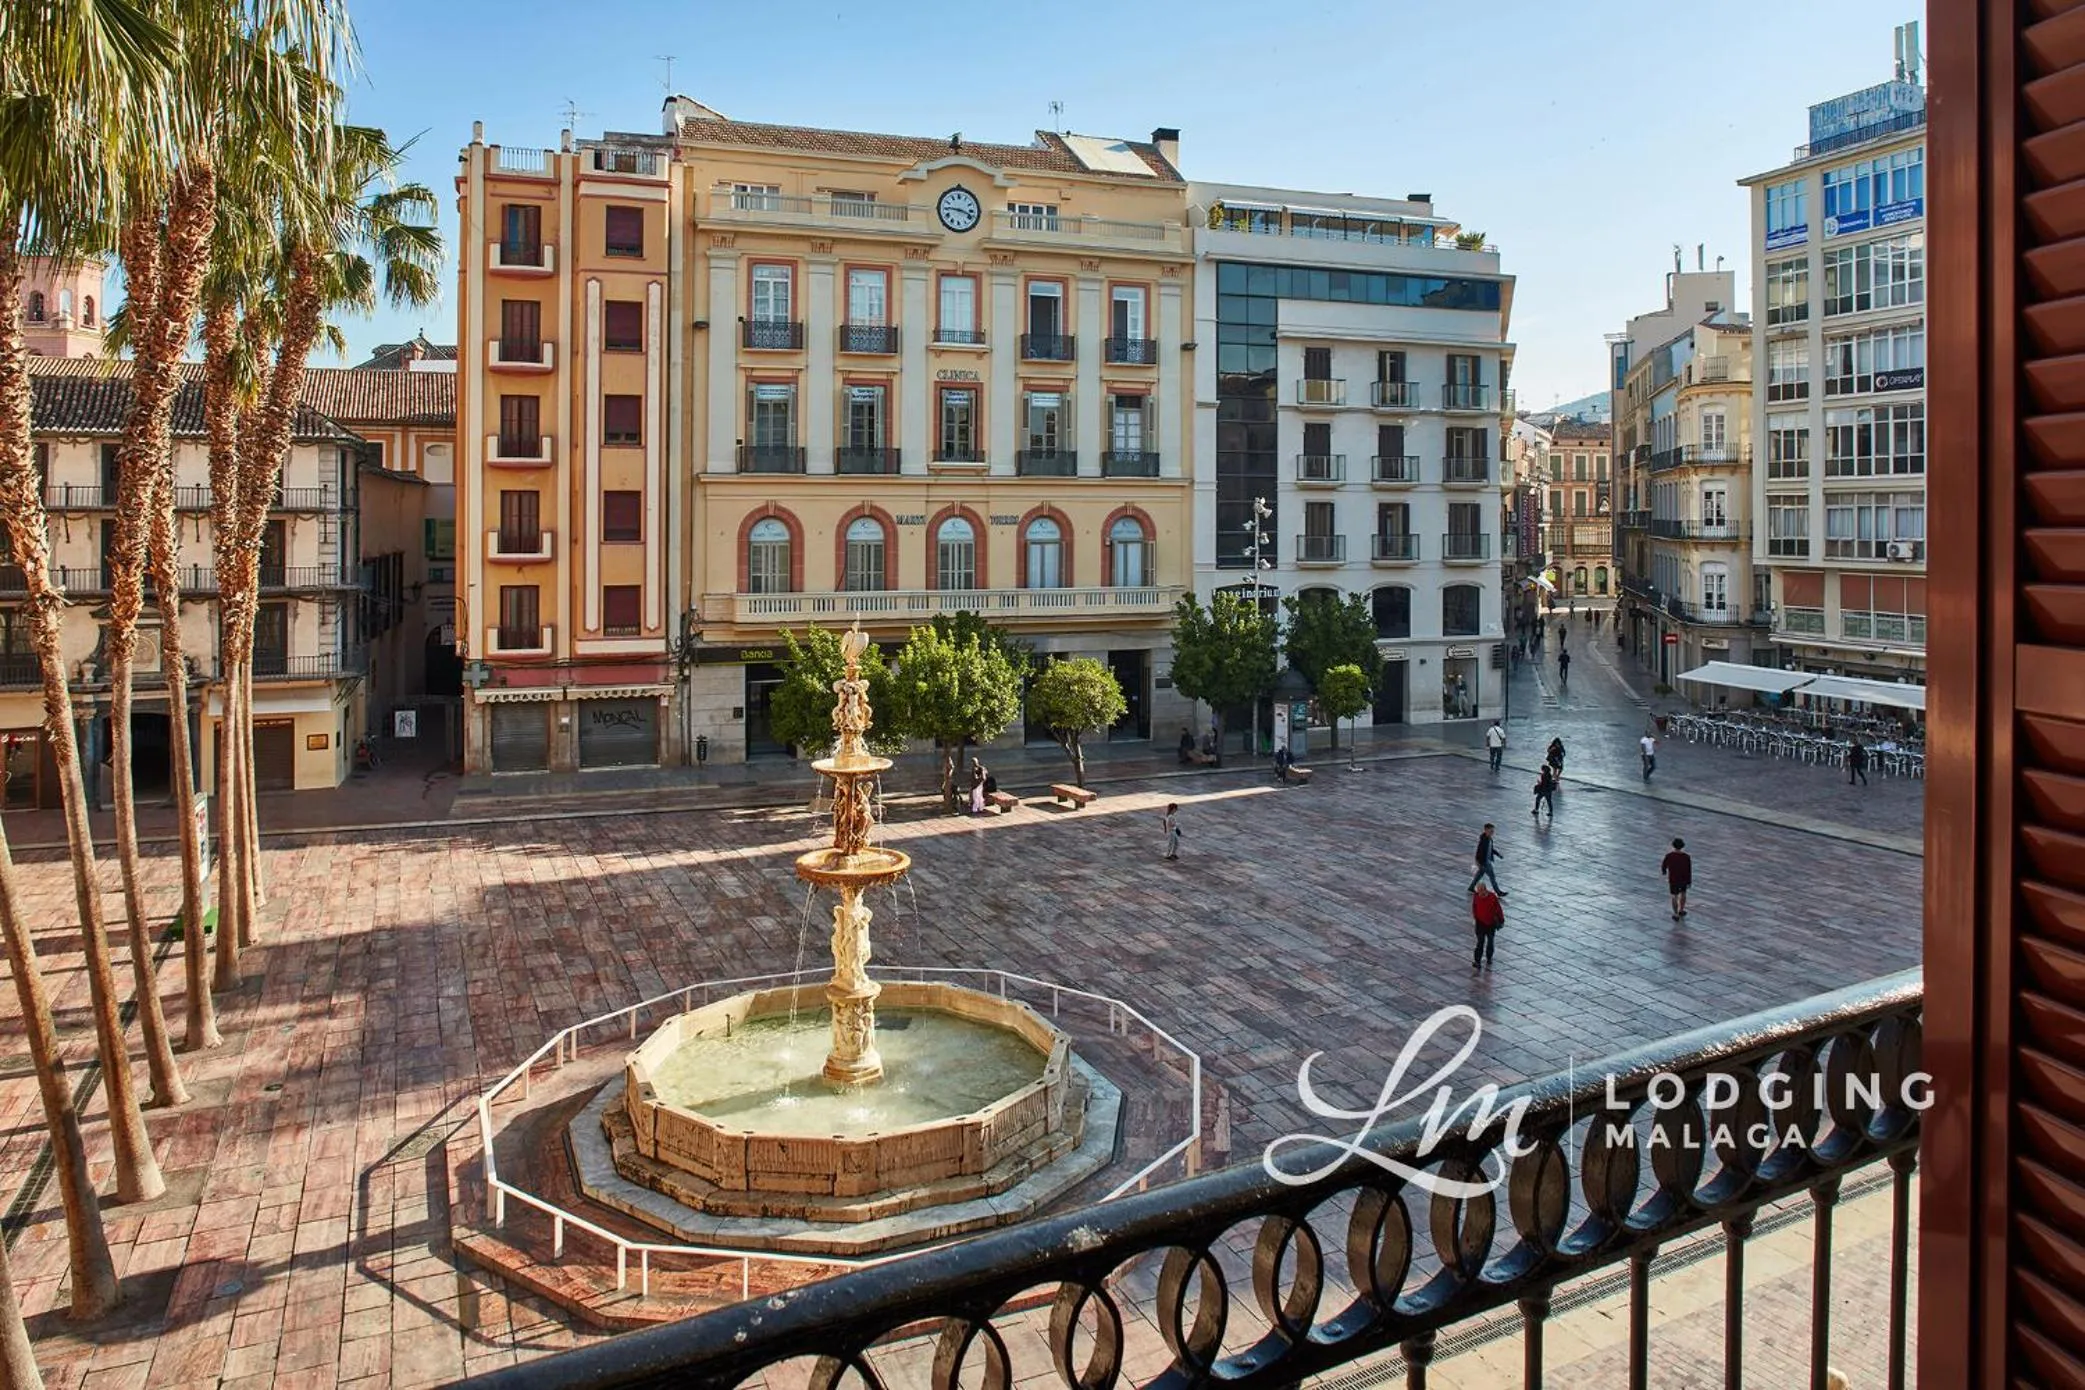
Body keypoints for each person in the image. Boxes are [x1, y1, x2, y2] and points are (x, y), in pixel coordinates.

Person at [1470, 882, 1504, 971]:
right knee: (1480, 942)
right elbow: (1474, 907)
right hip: (1480, 923)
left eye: (1481, 890)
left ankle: (1489, 958)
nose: (1480, 892)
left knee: (1490, 941)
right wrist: (1475, 917)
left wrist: (1501, 919)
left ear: (1485, 889)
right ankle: (1477, 961)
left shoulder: (1492, 897)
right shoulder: (1476, 896)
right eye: (1478, 890)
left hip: (1491, 923)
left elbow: (1498, 909)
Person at [1467, 822, 1507, 896]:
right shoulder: (1483, 840)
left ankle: (1471, 887)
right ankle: (1498, 892)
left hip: (1486, 861)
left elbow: (1491, 849)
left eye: (1493, 831)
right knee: (1492, 877)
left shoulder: (1489, 839)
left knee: (1479, 875)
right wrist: (1478, 862)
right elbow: (1479, 851)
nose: (1492, 833)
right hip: (1485, 862)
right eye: (1491, 831)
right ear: (1486, 830)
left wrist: (1498, 854)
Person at [1661, 837, 1693, 920]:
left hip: (1673, 878)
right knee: (1683, 893)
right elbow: (1689, 869)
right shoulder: (1686, 857)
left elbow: (1664, 865)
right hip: (1683, 878)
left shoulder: (1669, 856)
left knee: (1674, 895)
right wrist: (1689, 881)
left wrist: (1664, 872)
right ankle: (1681, 910)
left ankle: (1675, 914)